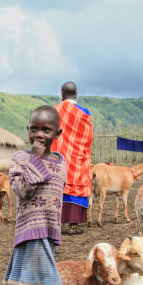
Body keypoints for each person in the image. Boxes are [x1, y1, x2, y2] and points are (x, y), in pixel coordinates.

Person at [0, 105, 73, 285]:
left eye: (46, 130)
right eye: (34, 129)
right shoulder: (20, 159)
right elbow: (21, 191)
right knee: (49, 280)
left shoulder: (60, 162)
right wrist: (35, 159)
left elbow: (57, 196)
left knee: (30, 283)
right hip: (30, 227)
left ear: (57, 133)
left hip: (48, 229)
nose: (39, 134)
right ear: (28, 130)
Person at [51, 81, 93, 235]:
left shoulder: (54, 111)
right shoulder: (84, 113)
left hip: (58, 158)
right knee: (76, 186)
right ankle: (73, 225)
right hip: (77, 158)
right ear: (76, 94)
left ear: (61, 94)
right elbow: (88, 139)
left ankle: (56, 224)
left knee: (57, 187)